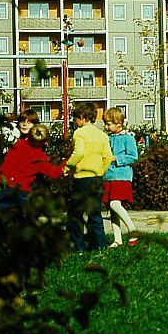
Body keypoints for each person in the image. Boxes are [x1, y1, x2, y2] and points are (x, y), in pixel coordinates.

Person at [64, 102, 114, 252]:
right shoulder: (102, 135)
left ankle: (78, 247)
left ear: (81, 117)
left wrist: (68, 167)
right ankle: (99, 246)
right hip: (96, 178)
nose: (75, 122)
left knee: (75, 214)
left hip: (82, 178)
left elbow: (78, 153)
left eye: (76, 119)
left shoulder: (79, 133)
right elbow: (108, 157)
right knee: (95, 214)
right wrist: (100, 172)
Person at [0, 124, 66, 209]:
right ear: (44, 142)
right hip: (19, 189)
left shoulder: (18, 145)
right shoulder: (39, 157)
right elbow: (54, 173)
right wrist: (66, 163)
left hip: (1, 182)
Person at [102, 107, 139, 247]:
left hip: (121, 176)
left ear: (118, 123)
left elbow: (133, 157)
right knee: (112, 209)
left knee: (115, 204)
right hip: (109, 176)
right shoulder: (108, 138)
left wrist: (116, 158)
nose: (106, 126)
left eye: (109, 123)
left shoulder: (128, 138)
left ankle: (132, 229)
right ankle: (117, 239)